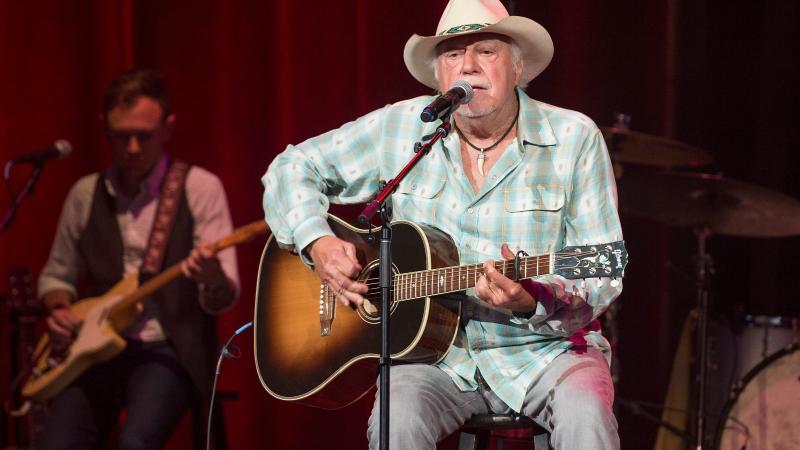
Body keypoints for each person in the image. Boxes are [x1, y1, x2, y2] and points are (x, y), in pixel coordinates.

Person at [261, 0, 623, 448]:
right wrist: (316, 241)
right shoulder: (403, 127)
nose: (467, 66)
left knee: (586, 413)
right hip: (434, 356)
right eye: (453, 55)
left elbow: (602, 270)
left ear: (517, 67)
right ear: (439, 76)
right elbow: (291, 167)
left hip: (547, 350)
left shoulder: (574, 138)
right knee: (396, 425)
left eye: (486, 51)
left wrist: (532, 300)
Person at [37, 69, 240, 450]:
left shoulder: (199, 188)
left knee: (136, 442)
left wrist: (211, 276)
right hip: (93, 349)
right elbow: (55, 276)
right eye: (121, 135)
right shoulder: (85, 194)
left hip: (168, 348)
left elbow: (224, 297)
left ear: (168, 128)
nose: (132, 147)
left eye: (143, 136)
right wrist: (60, 308)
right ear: (104, 128)